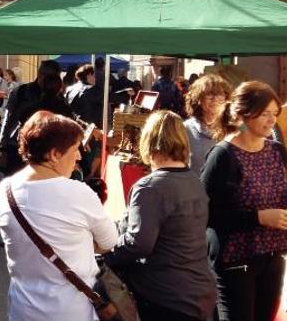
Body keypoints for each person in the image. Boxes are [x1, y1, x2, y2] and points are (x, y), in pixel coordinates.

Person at [0, 111, 118, 321]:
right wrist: (82, 242)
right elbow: (109, 241)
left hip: (22, 309)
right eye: (75, 149)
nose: (79, 156)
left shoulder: (5, 189)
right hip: (71, 311)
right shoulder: (78, 193)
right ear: (54, 154)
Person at [104, 111, 217, 320]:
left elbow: (139, 243)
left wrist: (105, 256)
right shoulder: (194, 181)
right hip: (198, 291)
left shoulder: (150, 187)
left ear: (148, 141)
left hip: (166, 295)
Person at [202, 81, 287, 321]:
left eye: (275, 114)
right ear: (243, 114)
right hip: (235, 261)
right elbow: (206, 214)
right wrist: (258, 217)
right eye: (265, 114)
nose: (272, 120)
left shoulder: (277, 151)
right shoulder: (222, 156)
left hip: (272, 257)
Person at [183, 74, 232, 175]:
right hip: (195, 187)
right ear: (198, 98)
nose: (214, 99)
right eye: (209, 94)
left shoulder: (234, 127)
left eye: (220, 94)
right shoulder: (185, 129)